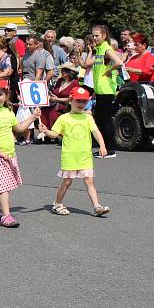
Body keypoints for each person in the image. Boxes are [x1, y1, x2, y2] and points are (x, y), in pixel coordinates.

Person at [0, 79, 41, 228]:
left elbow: (19, 128)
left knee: (0, 184)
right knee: (4, 186)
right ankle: (6, 216)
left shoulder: (8, 112)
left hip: (9, 154)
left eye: (0, 94)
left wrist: (33, 117)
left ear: (6, 96)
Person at [39, 86, 111, 216]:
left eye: (84, 101)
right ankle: (57, 203)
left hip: (85, 156)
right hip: (70, 156)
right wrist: (45, 131)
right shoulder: (64, 118)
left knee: (89, 180)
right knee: (67, 182)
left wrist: (102, 145)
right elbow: (55, 134)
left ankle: (97, 206)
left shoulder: (88, 118)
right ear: (71, 100)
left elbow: (95, 131)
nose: (81, 104)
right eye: (78, 101)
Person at [85, 25, 123, 158]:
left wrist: (109, 71)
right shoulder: (99, 49)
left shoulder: (106, 48)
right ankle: (105, 148)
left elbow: (119, 62)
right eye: (93, 35)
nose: (94, 38)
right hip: (100, 89)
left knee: (106, 120)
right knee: (101, 119)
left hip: (106, 89)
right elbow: (89, 66)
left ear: (104, 36)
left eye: (97, 36)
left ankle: (110, 149)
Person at [41, 62, 80, 130]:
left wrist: (57, 99)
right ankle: (46, 133)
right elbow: (54, 92)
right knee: (44, 110)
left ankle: (55, 132)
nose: (61, 71)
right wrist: (50, 95)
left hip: (66, 106)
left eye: (63, 70)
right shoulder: (60, 81)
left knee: (53, 112)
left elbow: (72, 99)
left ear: (69, 72)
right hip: (54, 103)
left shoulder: (75, 83)